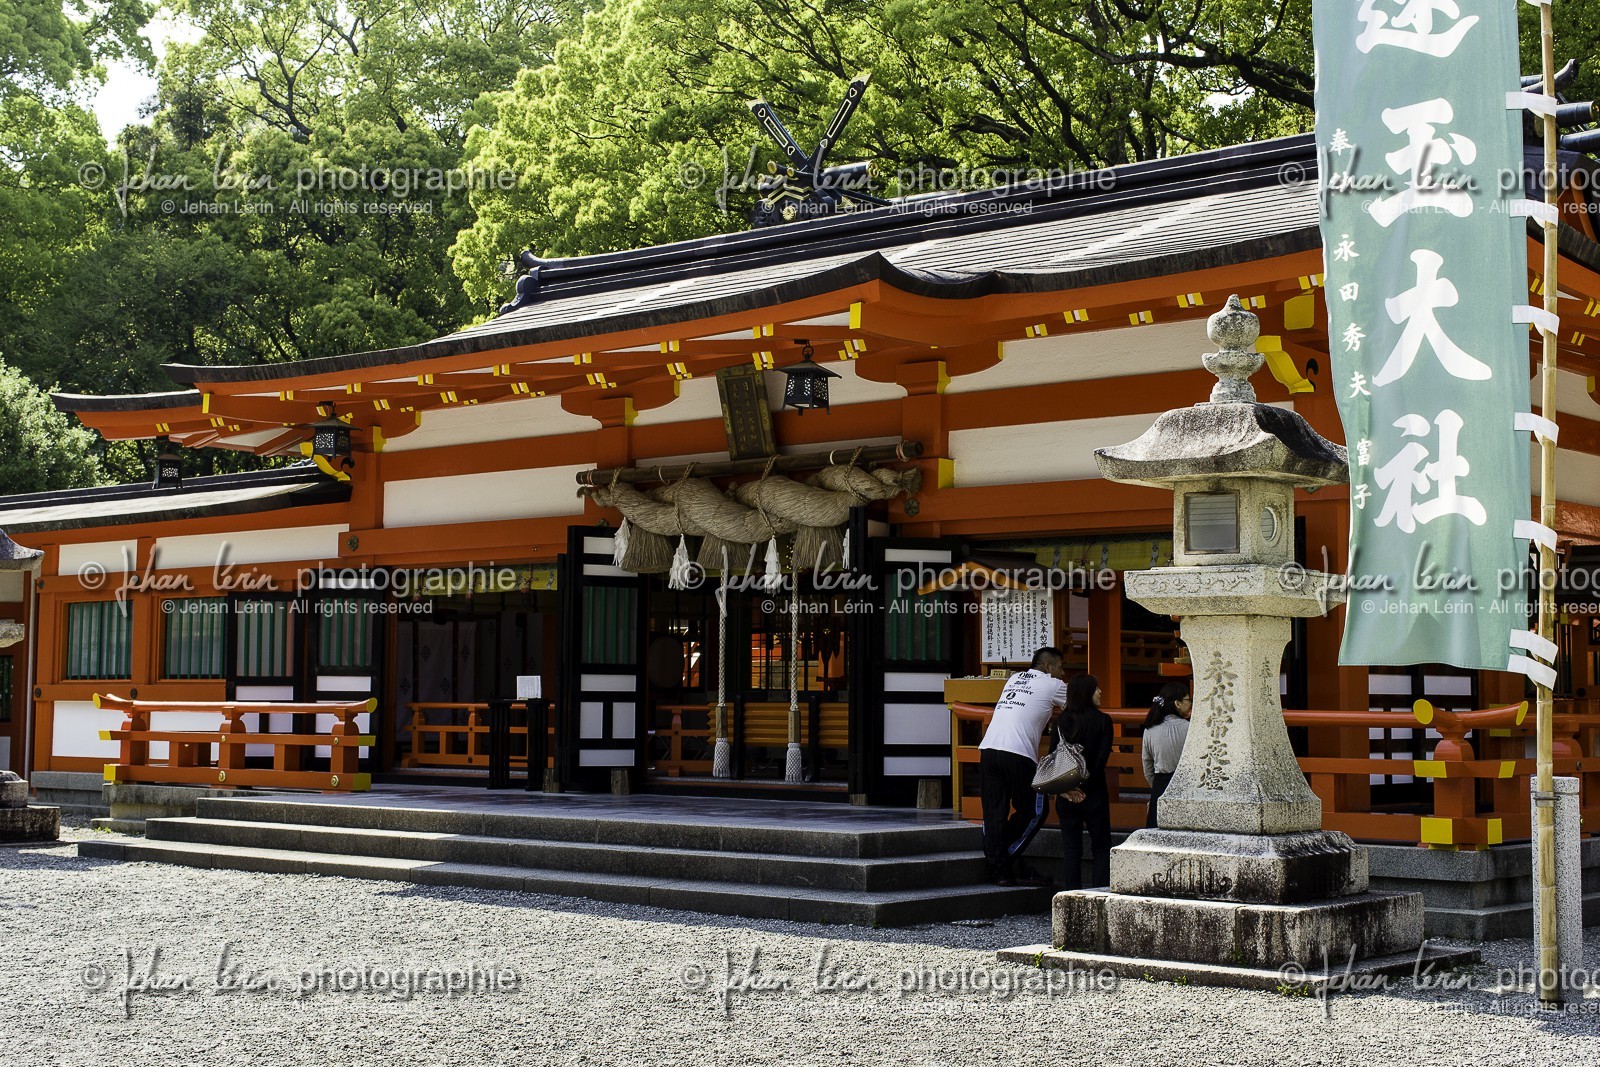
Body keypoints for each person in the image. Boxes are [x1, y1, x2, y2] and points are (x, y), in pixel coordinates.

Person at [978, 646, 1067, 886]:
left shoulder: (1014, 678)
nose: (1062, 673)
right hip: (1019, 753)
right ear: (1048, 667)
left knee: (994, 813)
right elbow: (1080, 702)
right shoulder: (1053, 684)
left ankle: (999, 868)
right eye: (1060, 667)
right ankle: (1002, 860)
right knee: (1034, 811)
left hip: (988, 749)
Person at [1056, 673, 1113, 891]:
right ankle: (1099, 894)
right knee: (1101, 847)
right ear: (1086, 693)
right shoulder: (1103, 721)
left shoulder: (1062, 720)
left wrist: (1068, 789)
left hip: (1066, 793)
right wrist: (1084, 787)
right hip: (1094, 793)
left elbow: (1053, 756)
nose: (1100, 692)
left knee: (1071, 850)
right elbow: (1100, 761)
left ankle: (1071, 895)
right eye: (1096, 688)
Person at [1140, 682, 1192, 829]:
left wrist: (1156, 785)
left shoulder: (1150, 729)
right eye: (1188, 700)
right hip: (1185, 784)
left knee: (1157, 831)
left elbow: (1147, 765)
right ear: (1177, 703)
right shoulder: (1189, 728)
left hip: (1160, 784)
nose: (1190, 704)